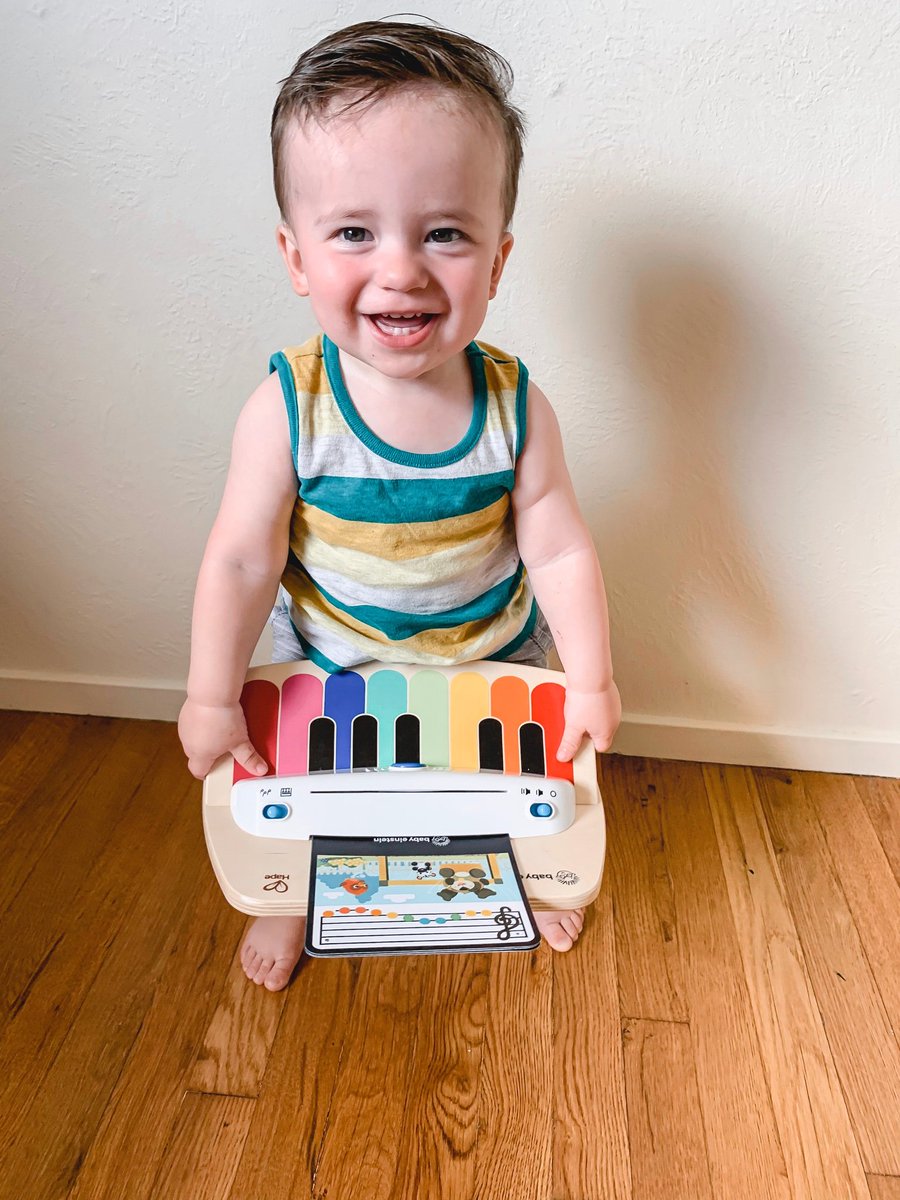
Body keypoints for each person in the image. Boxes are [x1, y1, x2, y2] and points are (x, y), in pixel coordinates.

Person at [178, 19, 621, 990]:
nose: (401, 268)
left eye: (444, 233)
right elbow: (243, 561)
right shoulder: (287, 410)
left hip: (493, 655)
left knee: (525, 792)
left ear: (497, 262)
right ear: (298, 259)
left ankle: (537, 873)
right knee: (291, 801)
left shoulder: (514, 407)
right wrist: (211, 695)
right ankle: (290, 899)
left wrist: (589, 675)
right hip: (333, 662)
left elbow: (559, 549)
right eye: (353, 233)